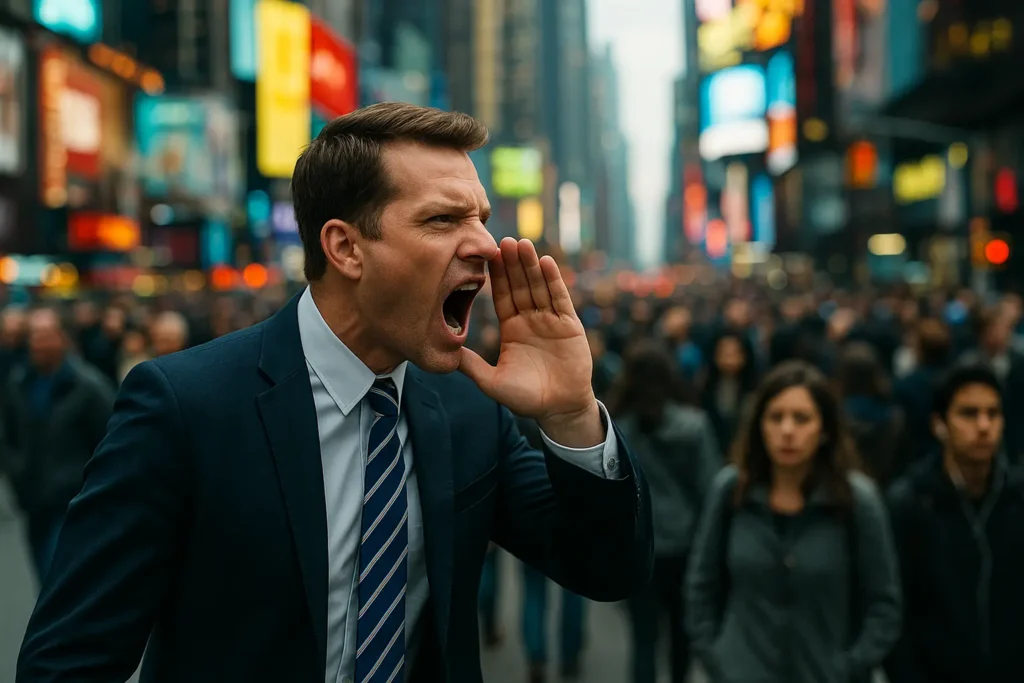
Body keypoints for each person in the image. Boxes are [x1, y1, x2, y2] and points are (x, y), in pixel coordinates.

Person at [16, 103, 652, 683]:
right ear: (346, 247)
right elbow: (68, 662)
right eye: (443, 219)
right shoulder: (184, 409)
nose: (488, 246)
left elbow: (606, 568)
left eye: (481, 219)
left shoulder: (468, 408)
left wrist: (572, 413)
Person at [687, 361, 901, 683]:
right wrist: (717, 658)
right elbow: (701, 585)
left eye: (802, 419)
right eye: (776, 417)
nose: (787, 431)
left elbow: (884, 604)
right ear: (760, 425)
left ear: (824, 429)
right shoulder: (732, 491)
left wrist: (850, 666)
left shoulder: (857, 501)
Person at [885, 364, 1024, 683]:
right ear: (939, 424)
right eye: (969, 414)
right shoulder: (910, 504)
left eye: (993, 414)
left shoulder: (1017, 497)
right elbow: (897, 611)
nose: (984, 426)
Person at [608, 340, 720, 683]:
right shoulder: (694, 425)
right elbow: (710, 489)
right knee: (681, 637)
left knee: (643, 639)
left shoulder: (617, 429)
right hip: (685, 545)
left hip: (639, 545)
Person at [0, 307, 114, 582]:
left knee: (60, 579)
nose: (38, 343)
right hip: (34, 500)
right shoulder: (19, 383)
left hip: (72, 503)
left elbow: (109, 443)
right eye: (33, 335)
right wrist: (17, 472)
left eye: (45, 335)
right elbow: (9, 435)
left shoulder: (88, 387)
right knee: (44, 578)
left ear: (62, 338)